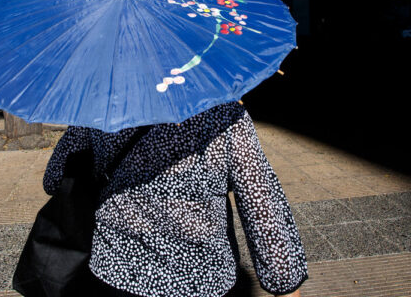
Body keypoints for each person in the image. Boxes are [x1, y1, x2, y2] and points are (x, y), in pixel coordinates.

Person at [43, 101, 307, 297]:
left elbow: (54, 178)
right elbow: (262, 210)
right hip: (204, 281)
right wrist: (284, 282)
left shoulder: (100, 104)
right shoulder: (224, 113)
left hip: (114, 274)